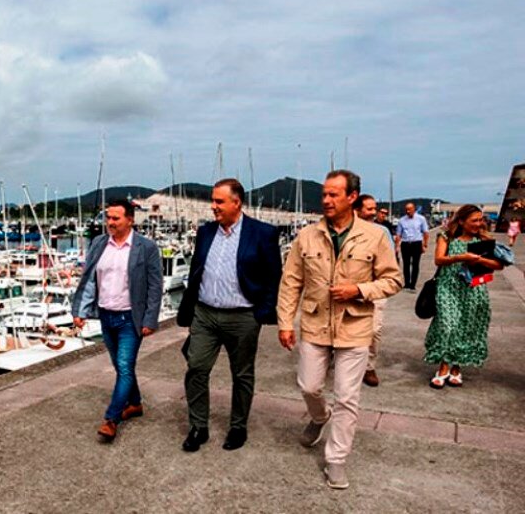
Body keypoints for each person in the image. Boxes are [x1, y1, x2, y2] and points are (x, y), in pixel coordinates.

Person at [277, 170, 402, 490]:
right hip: (315, 323)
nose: (327, 200)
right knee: (308, 385)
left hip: (354, 325)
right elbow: (291, 282)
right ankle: (319, 417)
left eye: (334, 195)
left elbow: (393, 280)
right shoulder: (307, 236)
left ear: (352, 198)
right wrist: (285, 323)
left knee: (347, 396)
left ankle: (336, 459)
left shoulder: (375, 236)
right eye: (324, 195)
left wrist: (358, 290)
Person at [176, 178, 282, 452]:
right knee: (196, 367)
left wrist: (261, 313)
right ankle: (198, 426)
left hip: (243, 318)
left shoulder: (263, 233)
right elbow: (196, 271)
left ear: (237, 202)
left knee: (242, 375)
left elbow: (273, 278)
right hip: (205, 315)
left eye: (219, 201)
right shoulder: (206, 232)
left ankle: (238, 427)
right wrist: (190, 309)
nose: (213, 207)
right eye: (213, 201)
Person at [71, 198, 163, 443]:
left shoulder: (146, 248)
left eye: (115, 218)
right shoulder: (99, 244)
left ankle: (111, 419)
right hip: (106, 316)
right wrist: (80, 310)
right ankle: (134, 403)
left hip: (129, 319)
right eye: (107, 218)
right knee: (122, 366)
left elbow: (155, 286)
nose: (109, 223)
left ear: (130, 220)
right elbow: (89, 280)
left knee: (123, 366)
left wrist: (150, 319)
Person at [424, 205, 504, 388]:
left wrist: (479, 260)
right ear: (461, 221)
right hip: (448, 286)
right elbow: (439, 259)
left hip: (473, 288)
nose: (479, 223)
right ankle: (443, 366)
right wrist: (461, 257)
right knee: (448, 325)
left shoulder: (483, 239)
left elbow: (498, 265)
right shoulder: (446, 236)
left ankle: (456, 368)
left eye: (480, 220)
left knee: (466, 327)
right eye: (474, 220)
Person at [352, 194, 394, 387]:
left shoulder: (382, 231)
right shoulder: (344, 229)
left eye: (374, 208)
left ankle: (369, 367)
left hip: (375, 288)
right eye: (369, 208)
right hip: (347, 288)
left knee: (374, 329)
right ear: (357, 209)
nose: (373, 212)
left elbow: (389, 261)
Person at [395, 202, 429, 291]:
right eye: (406, 209)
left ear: (414, 209)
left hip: (416, 243)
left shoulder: (421, 219)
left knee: (415, 264)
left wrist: (425, 244)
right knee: (406, 264)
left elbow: (425, 232)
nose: (408, 211)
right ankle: (407, 283)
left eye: (409, 209)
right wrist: (397, 246)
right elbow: (398, 234)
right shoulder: (402, 220)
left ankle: (413, 284)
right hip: (406, 243)